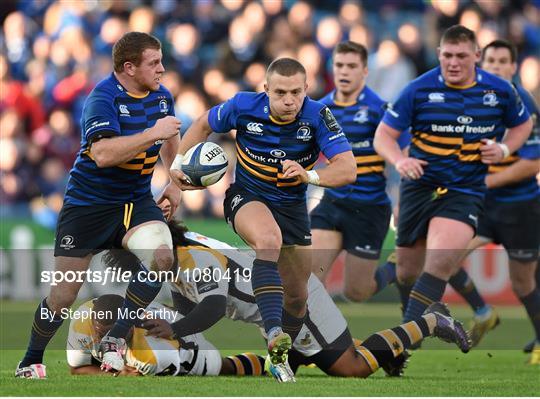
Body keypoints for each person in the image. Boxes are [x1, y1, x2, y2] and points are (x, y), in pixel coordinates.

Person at [169, 58, 356, 382]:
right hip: (247, 197)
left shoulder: (318, 116)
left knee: (297, 298)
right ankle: (272, 333)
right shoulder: (243, 105)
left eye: (296, 92)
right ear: (266, 90)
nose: (288, 100)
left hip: (293, 208)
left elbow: (347, 168)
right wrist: (176, 172)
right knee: (268, 240)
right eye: (280, 92)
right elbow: (202, 124)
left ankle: (279, 357)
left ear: (306, 90)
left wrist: (309, 175)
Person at [103, 220, 471, 380]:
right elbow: (192, 305)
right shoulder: (175, 260)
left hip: (296, 302)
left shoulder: (195, 259)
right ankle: (385, 351)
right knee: (276, 364)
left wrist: (174, 329)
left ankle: (432, 320)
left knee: (350, 368)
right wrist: (177, 335)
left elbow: (212, 307)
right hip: (273, 315)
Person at [16, 32, 182, 379]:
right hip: (89, 205)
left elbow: (171, 138)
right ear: (129, 67)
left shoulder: (161, 97)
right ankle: (30, 360)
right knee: (63, 295)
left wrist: (174, 181)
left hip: (135, 202)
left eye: (161, 61)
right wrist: (154, 132)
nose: (162, 69)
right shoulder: (102, 99)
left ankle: (115, 340)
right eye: (154, 63)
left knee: (163, 259)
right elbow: (104, 155)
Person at [373, 25, 532, 327]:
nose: (453, 62)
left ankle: (399, 345)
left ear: (476, 55)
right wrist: (399, 161)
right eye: (447, 56)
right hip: (420, 186)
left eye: (461, 55)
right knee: (407, 271)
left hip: (465, 189)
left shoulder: (499, 91)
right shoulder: (418, 89)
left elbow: (522, 125)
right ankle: (413, 331)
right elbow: (383, 136)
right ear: (438, 55)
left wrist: (504, 148)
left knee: (440, 261)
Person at [458, 39, 538, 362]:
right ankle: (482, 311)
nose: (496, 66)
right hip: (482, 205)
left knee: (522, 283)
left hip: (521, 206)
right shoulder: (470, 100)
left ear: (513, 67)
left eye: (503, 61)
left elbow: (533, 163)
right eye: (490, 60)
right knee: (443, 256)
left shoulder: (524, 103)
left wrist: (486, 179)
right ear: (480, 62)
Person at [310, 41, 397, 301]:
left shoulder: (379, 110)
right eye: (339, 65)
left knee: (356, 292)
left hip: (368, 209)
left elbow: (401, 155)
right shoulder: (320, 110)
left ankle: (396, 266)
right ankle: (315, 339)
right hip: (333, 204)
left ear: (365, 71)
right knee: (309, 280)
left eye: (351, 66)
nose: (344, 72)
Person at [66, 294, 266, 377]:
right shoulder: (81, 322)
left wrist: (125, 371)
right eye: (100, 333)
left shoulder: (152, 355)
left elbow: (145, 377)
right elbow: (77, 368)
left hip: (180, 346)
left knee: (222, 368)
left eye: (113, 333)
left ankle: (267, 365)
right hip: (152, 319)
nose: (104, 340)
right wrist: (116, 373)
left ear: (128, 324)